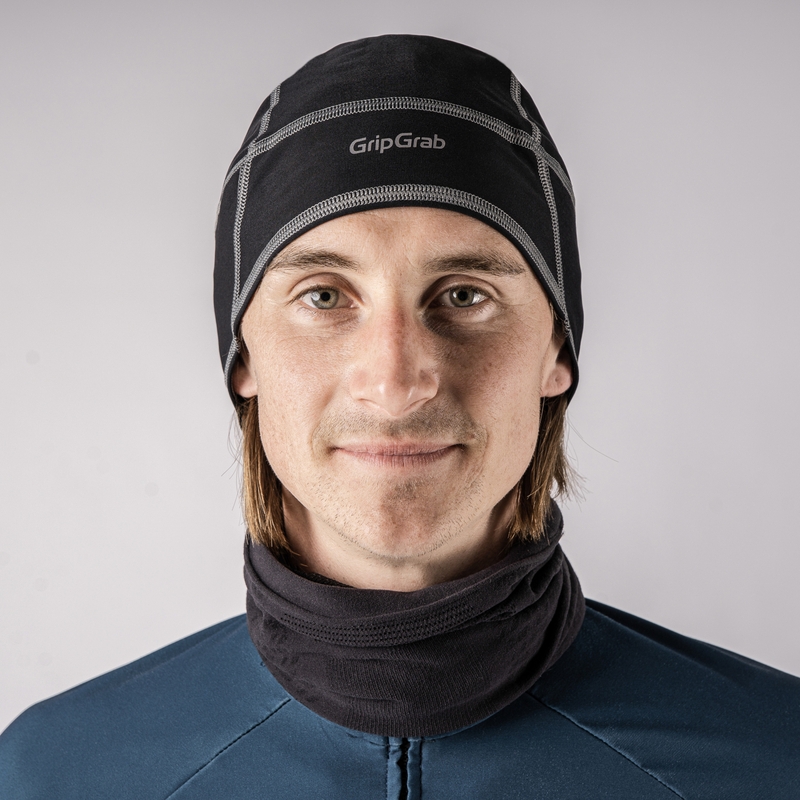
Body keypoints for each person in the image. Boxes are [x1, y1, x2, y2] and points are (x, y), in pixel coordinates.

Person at [1, 34, 798, 799]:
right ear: (243, 358)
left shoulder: (775, 761)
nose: (395, 382)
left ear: (556, 350)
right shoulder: (53, 776)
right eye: (324, 296)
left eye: (464, 295)